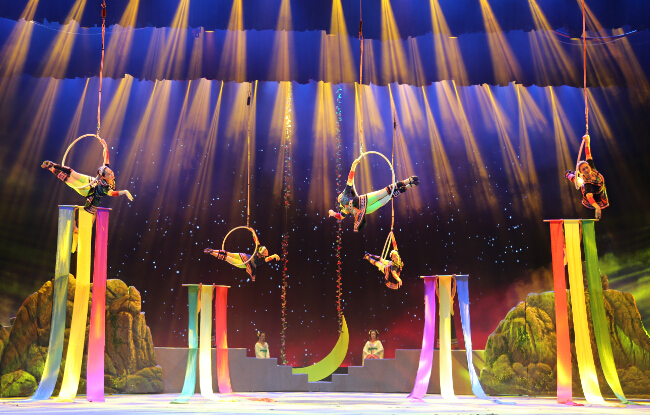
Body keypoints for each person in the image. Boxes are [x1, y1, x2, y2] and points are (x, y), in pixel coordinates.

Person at [41, 139, 134, 214]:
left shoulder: (105, 187)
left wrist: (125, 192)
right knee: (72, 172)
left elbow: (112, 193)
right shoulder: (105, 174)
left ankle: (51, 168)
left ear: (104, 178)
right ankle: (53, 164)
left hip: (88, 191)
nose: (112, 174)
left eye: (110, 174)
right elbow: (106, 158)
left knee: (69, 179)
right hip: (90, 181)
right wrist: (105, 146)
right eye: (110, 173)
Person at [328, 156, 419, 232]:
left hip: (365, 205)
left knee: (387, 195)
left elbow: (340, 216)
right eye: (340, 195)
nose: (340, 195)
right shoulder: (344, 205)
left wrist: (333, 213)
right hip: (365, 205)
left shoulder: (345, 204)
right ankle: (408, 183)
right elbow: (349, 181)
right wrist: (333, 213)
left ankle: (408, 183)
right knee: (386, 194)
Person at [564, 135, 608, 219]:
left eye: (587, 167)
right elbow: (589, 197)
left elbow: (588, 153)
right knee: (576, 180)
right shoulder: (587, 184)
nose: (586, 170)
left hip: (599, 191)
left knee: (577, 179)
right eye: (583, 169)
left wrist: (587, 141)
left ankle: (571, 174)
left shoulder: (591, 168)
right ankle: (567, 174)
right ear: (581, 172)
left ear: (589, 166)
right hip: (592, 194)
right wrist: (597, 208)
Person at [204, 245, 280, 282]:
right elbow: (256, 239)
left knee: (227, 256)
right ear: (262, 253)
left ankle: (212, 251)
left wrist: (274, 256)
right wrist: (274, 255)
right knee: (228, 256)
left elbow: (256, 239)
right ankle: (212, 251)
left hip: (244, 259)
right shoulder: (261, 257)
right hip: (245, 261)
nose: (267, 251)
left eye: (266, 250)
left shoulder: (260, 255)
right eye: (266, 251)